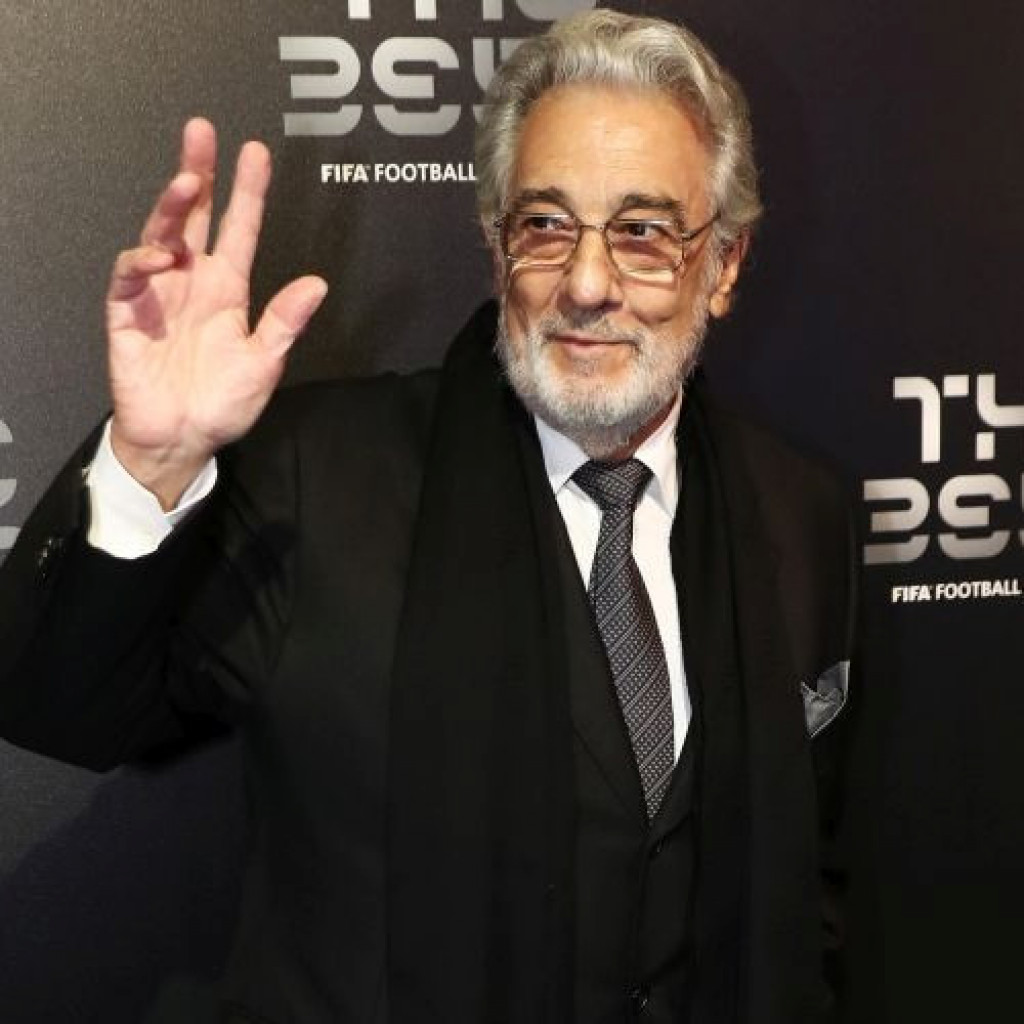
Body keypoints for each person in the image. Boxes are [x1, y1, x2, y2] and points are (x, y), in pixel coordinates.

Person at [0, 10, 855, 1024]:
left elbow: (806, 881)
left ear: (723, 266)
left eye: (642, 234)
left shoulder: (795, 511)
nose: (587, 285)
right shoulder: (315, 476)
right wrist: (153, 461)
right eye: (545, 224)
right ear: (496, 249)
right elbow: (60, 707)